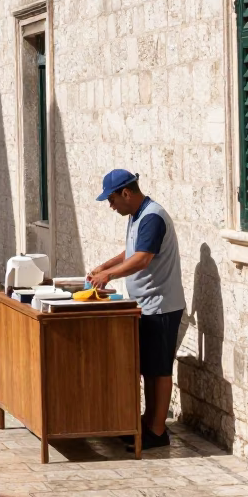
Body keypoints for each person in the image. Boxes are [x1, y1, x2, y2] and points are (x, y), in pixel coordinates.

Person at [87, 169, 185, 450]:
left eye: (112, 199)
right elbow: (131, 251)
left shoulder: (153, 217)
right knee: (149, 369)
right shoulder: (137, 216)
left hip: (161, 306)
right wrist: (105, 266)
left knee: (160, 369)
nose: (111, 206)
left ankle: (157, 431)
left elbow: (142, 259)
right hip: (147, 305)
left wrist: (109, 276)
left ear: (126, 193)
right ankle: (147, 421)